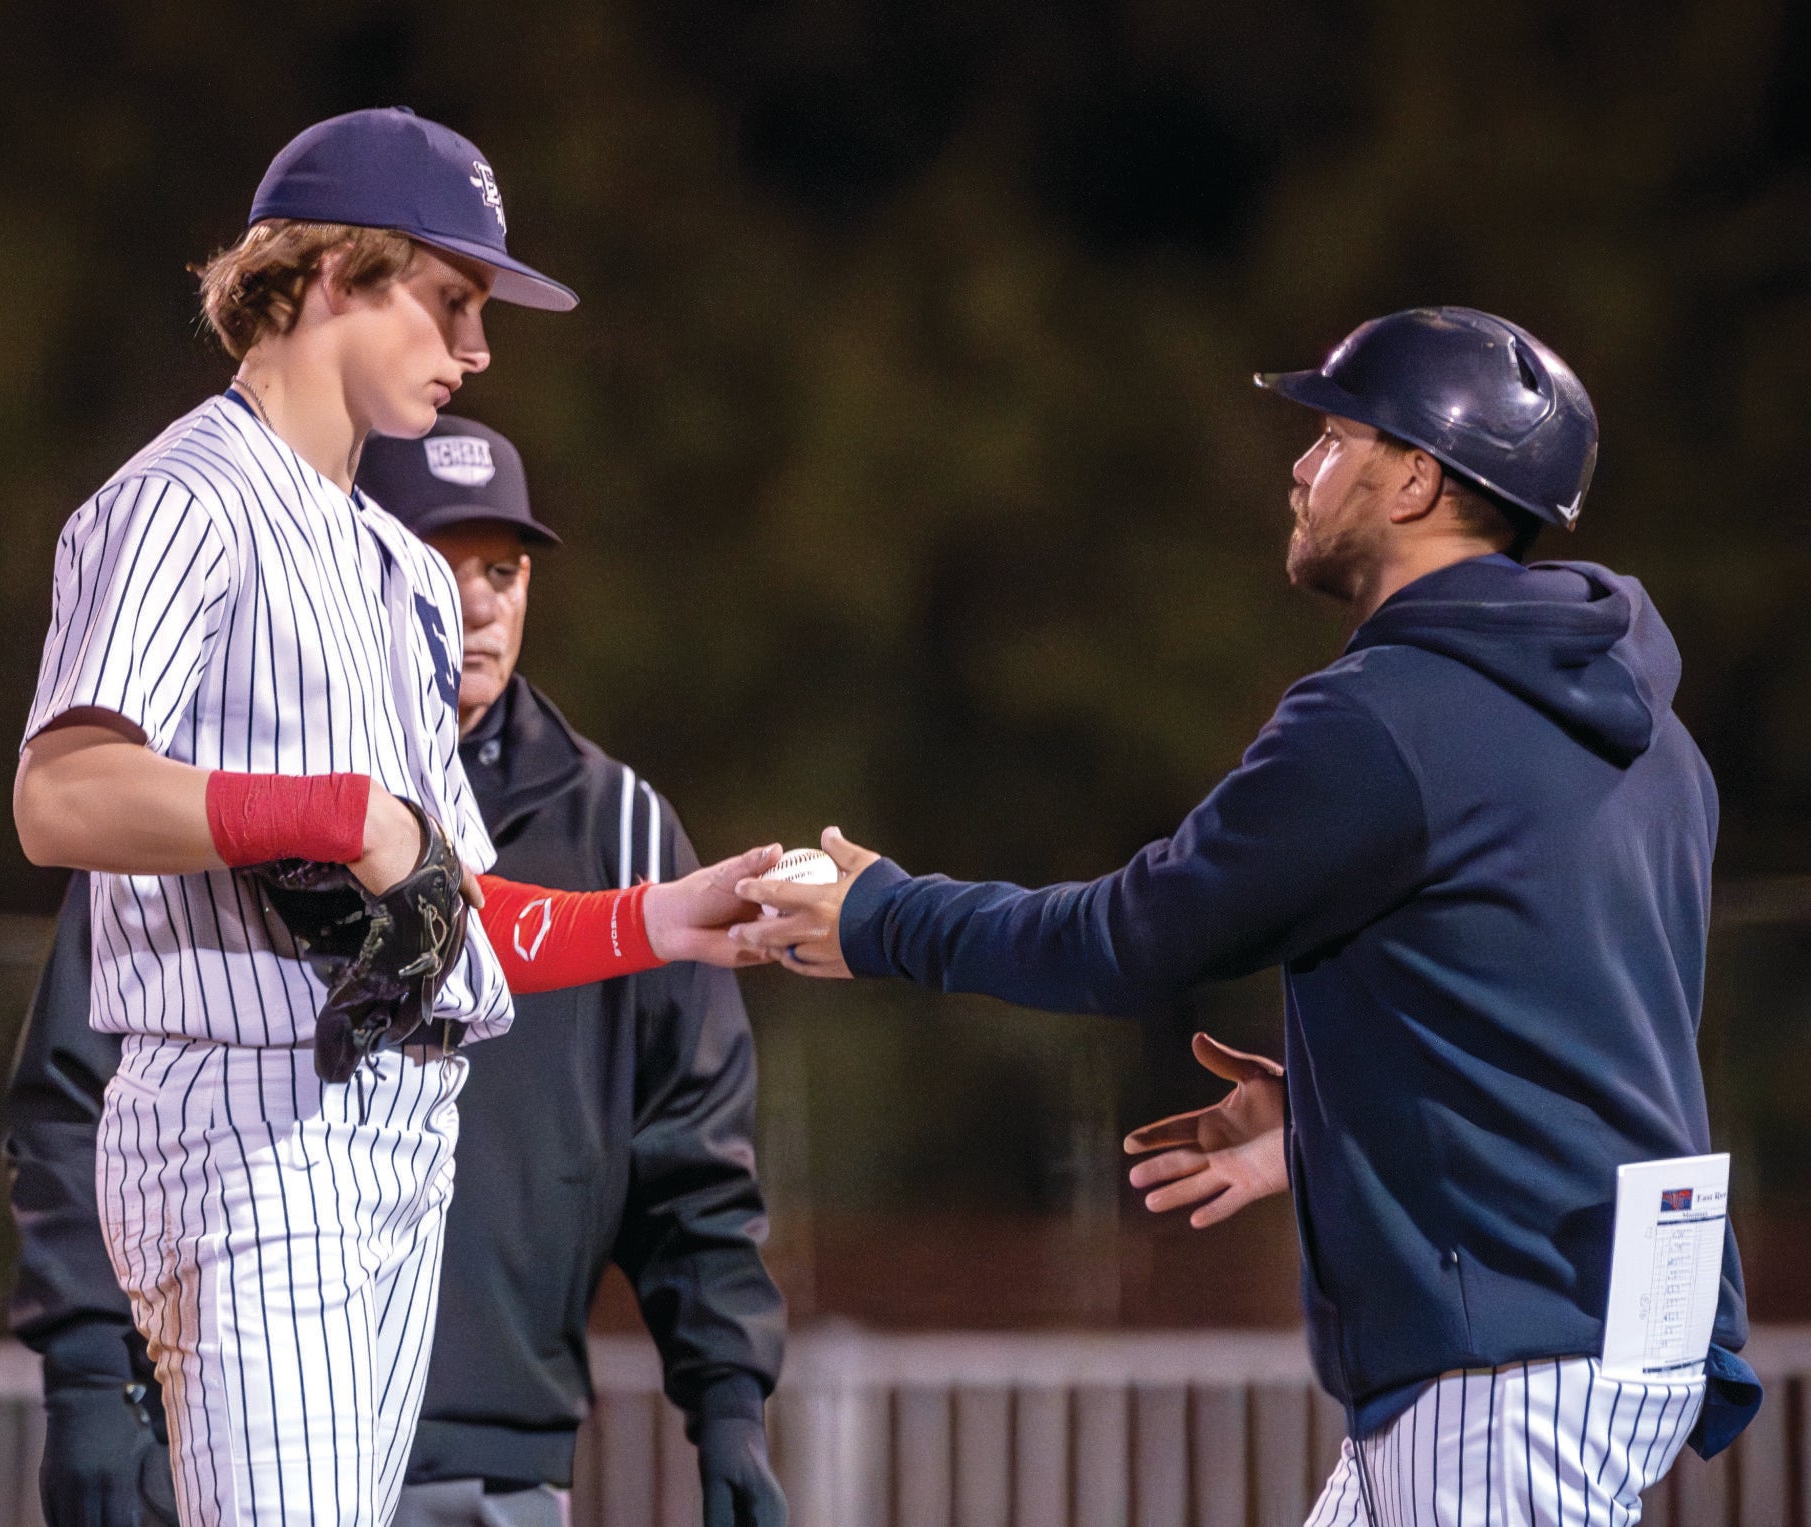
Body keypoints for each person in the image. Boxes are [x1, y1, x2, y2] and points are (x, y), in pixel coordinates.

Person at [734, 308, 1760, 1525]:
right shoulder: (1650, 735)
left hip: (1504, 1356)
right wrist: (1339, 1122)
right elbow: (1560, 1030)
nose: (1298, 464)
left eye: (1332, 436)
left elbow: (1132, 937)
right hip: (1611, 1309)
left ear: (1417, 477)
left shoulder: (1388, 714)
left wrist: (883, 916)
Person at [9, 108, 777, 1527]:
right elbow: (60, 794)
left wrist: (662, 917)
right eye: (453, 299)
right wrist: (337, 810)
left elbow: (448, 917)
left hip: (399, 1127)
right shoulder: (187, 501)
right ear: (336, 273)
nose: (477, 349)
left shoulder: (398, 571)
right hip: (250, 1118)